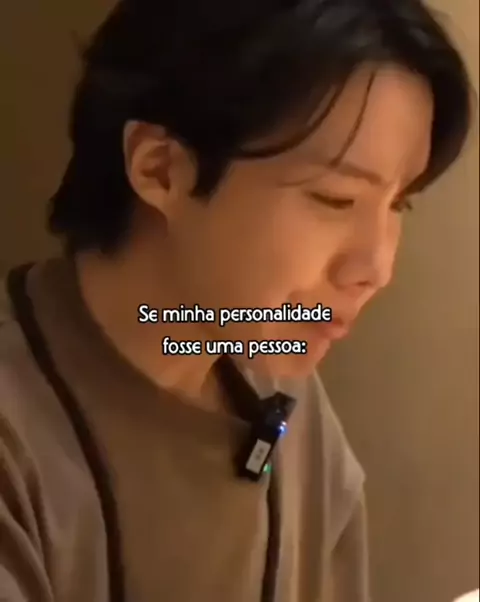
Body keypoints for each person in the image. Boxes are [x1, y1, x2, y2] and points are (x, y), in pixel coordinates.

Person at [0, 0, 473, 601]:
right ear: (161, 169)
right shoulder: (20, 440)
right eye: (335, 198)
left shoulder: (284, 392)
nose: (376, 268)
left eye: (398, 204)